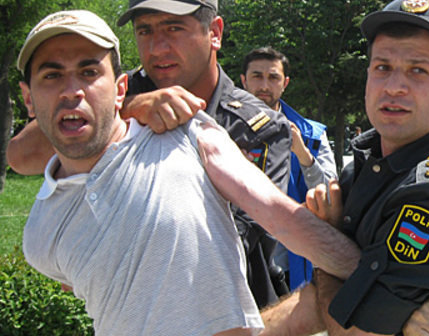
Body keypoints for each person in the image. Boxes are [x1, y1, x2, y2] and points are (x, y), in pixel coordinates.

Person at [199, 0, 429, 335]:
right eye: (382, 67)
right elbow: (316, 301)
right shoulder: (367, 165)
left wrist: (326, 248)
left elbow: (358, 329)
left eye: (418, 70)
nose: (393, 86)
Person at [7, 0, 292, 309]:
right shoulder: (115, 89)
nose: (157, 48)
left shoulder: (257, 126)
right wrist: (129, 107)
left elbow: (237, 236)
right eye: (144, 31)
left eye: (173, 28)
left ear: (214, 32)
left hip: (233, 310)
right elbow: (21, 156)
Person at [240, 46, 338, 290]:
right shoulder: (220, 131)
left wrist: (303, 155)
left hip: (289, 267)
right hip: (236, 262)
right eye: (256, 76)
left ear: (285, 83)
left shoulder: (311, 135)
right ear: (243, 81)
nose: (264, 85)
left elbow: (330, 198)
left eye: (273, 77)